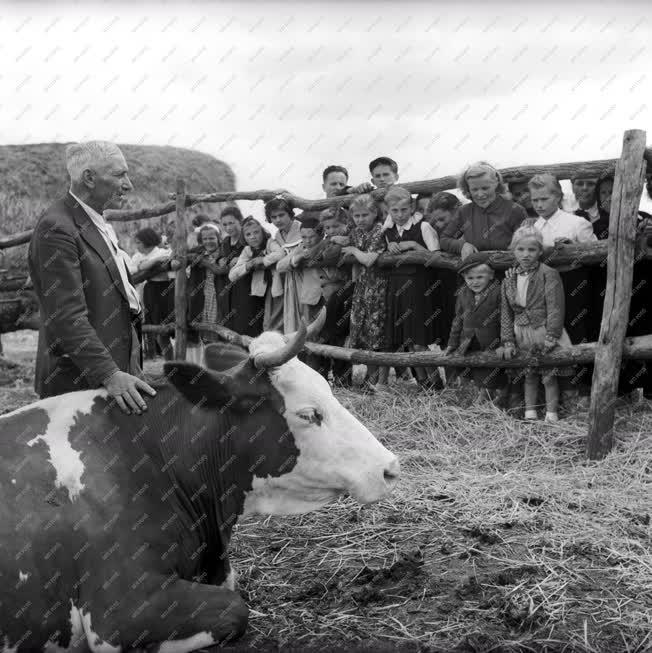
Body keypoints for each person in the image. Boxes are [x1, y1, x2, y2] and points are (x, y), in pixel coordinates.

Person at [28, 140, 156, 414]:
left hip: (112, 361)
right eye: (119, 174)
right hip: (80, 380)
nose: (129, 184)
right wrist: (109, 373)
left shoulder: (96, 222)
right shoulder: (57, 228)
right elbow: (66, 315)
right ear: (89, 178)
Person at [499, 225, 573, 422]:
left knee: (549, 374)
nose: (526, 255)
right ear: (513, 251)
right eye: (520, 249)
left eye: (532, 250)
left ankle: (551, 414)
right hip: (521, 332)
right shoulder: (509, 278)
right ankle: (530, 414)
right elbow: (506, 312)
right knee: (529, 373)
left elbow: (556, 306)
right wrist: (507, 340)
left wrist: (552, 334)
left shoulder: (548, 273)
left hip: (542, 329)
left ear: (540, 251)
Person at [591, 170, 652, 399]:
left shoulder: (646, 217)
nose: (609, 197)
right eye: (603, 193)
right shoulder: (597, 225)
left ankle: (648, 391)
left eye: (614, 191)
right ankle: (624, 390)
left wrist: (646, 236)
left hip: (644, 287)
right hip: (610, 290)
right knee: (616, 334)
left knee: (644, 332)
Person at [383, 186, 441, 390]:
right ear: (388, 210)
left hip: (418, 286)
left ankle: (436, 383)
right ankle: (423, 383)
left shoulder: (423, 227)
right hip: (396, 285)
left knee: (419, 340)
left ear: (412, 207)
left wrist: (414, 246)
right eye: (394, 211)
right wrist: (389, 248)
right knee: (407, 340)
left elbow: (437, 258)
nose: (399, 215)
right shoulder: (388, 231)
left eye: (404, 210)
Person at [444, 254, 507, 405]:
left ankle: (489, 396)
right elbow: (458, 319)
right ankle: (482, 393)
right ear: (464, 278)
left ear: (491, 275)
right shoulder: (463, 293)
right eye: (470, 278)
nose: (475, 282)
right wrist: (452, 343)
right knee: (475, 367)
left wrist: (505, 342)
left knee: (491, 368)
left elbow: (505, 319)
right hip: (468, 340)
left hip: (492, 339)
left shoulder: (498, 291)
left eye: (480, 277)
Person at [341, 195, 388, 392]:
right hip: (362, 286)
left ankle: (377, 381)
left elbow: (368, 259)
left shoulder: (379, 231)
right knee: (364, 333)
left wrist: (351, 249)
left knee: (376, 333)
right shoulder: (356, 232)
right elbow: (346, 244)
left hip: (378, 287)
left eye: (364, 215)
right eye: (357, 215)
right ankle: (369, 380)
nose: (360, 219)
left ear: (374, 213)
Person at [440, 161, 527, 260]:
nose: (480, 194)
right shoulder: (464, 212)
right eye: (474, 189)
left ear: (496, 183)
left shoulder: (515, 210)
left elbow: (527, 246)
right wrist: (462, 246)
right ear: (468, 189)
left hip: (508, 271)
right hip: (475, 273)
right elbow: (444, 239)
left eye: (485, 188)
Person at [228, 217, 283, 333]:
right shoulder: (247, 250)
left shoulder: (270, 243)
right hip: (259, 292)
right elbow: (232, 275)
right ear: (244, 237)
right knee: (263, 322)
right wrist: (248, 265)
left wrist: (263, 260)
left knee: (273, 321)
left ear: (262, 232)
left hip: (275, 288)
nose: (253, 236)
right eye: (248, 234)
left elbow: (280, 254)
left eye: (256, 232)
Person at [129, 227, 175, 361]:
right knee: (158, 328)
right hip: (151, 291)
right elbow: (132, 269)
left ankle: (179, 361)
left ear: (147, 241)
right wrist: (150, 263)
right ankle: (169, 361)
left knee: (173, 325)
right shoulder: (137, 256)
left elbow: (167, 258)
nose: (136, 246)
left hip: (167, 289)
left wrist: (150, 263)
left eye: (139, 242)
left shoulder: (162, 252)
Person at [218, 206, 264, 337]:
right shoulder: (225, 242)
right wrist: (222, 260)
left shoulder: (249, 238)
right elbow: (222, 257)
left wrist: (241, 260)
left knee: (248, 324)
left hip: (248, 287)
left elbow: (261, 254)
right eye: (225, 224)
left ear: (240, 221)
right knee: (232, 326)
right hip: (230, 290)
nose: (228, 228)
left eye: (231, 223)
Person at [265, 197, 303, 332]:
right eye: (273, 217)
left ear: (290, 214)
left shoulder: (301, 228)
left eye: (281, 215)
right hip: (287, 280)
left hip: (303, 277)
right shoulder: (277, 235)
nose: (278, 220)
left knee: (305, 315)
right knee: (289, 317)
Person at [187, 223, 223, 349]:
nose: (208, 241)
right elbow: (178, 256)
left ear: (218, 238)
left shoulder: (224, 252)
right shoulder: (197, 253)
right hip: (202, 294)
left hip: (218, 292)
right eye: (205, 239)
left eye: (211, 238)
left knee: (218, 324)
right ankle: (208, 355)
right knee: (203, 325)